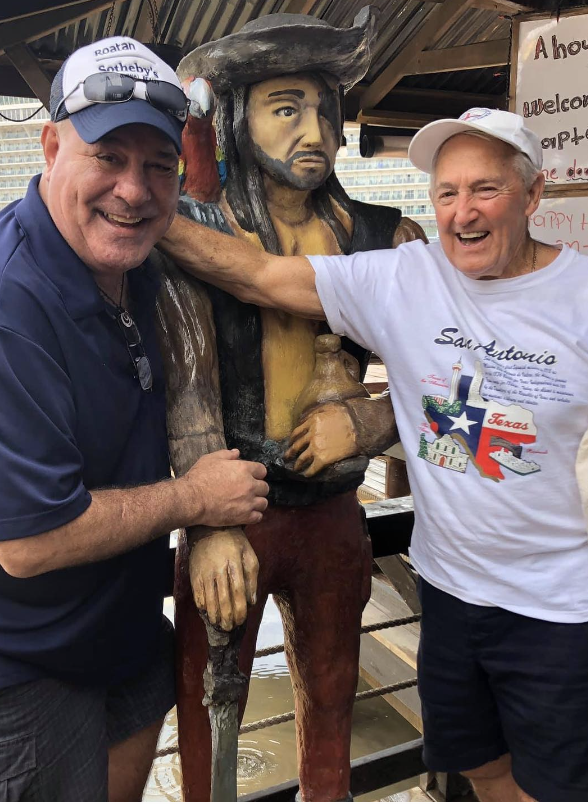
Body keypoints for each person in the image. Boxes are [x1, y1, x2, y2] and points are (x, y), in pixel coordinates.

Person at [159, 106, 588, 803]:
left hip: (558, 607)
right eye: (446, 193)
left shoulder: (578, 298)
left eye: (486, 190)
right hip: (448, 593)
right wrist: (145, 209)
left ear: (533, 195)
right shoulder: (407, 276)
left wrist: (363, 423)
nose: (461, 211)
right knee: (479, 764)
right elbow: (258, 275)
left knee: (559, 786)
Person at [155, 9, 426, 801]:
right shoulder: (193, 238)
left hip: (334, 517)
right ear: (239, 123)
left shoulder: (388, 239)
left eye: (324, 112)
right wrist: (207, 524)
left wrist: (372, 421)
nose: (314, 131)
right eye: (286, 108)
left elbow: (441, 377)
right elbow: (189, 388)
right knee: (209, 717)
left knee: (333, 702)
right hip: (236, 509)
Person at [0, 36, 268, 803]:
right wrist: (198, 501)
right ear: (51, 146)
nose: (134, 190)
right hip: (29, 663)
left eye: (158, 165)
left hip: (124, 633)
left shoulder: (137, 265)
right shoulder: (15, 308)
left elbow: (254, 273)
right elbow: (27, 542)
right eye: (108, 157)